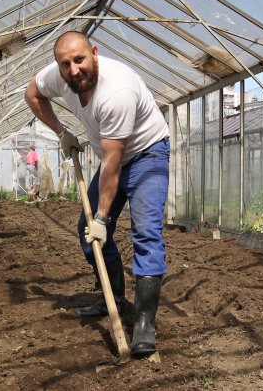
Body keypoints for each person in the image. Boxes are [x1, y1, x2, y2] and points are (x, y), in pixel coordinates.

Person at [24, 31, 170, 357]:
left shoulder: (116, 91)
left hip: (146, 154)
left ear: (94, 52)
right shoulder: (57, 78)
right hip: (112, 157)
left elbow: (114, 164)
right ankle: (114, 297)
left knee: (145, 233)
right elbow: (32, 94)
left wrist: (103, 217)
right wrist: (61, 132)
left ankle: (144, 322)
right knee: (85, 230)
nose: (74, 70)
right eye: (66, 64)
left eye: (80, 60)